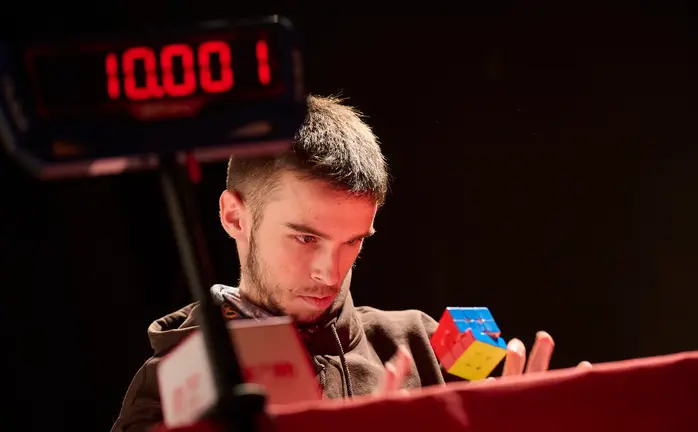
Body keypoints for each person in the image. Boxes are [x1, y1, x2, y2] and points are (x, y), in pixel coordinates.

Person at [111, 95, 585, 432]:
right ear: (235, 216)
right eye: (304, 237)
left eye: (353, 242)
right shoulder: (172, 384)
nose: (330, 272)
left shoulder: (423, 345)